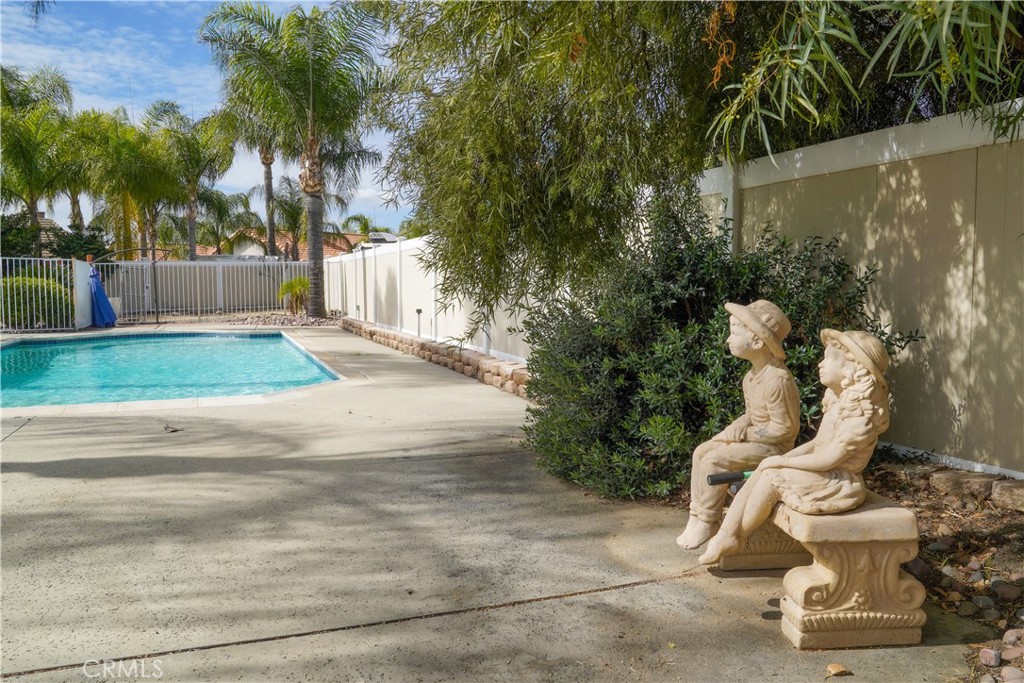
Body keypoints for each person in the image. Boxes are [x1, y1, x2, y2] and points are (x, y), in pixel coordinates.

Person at [699, 329, 891, 565]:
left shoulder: (859, 419)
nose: (820, 364)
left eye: (829, 359)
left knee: (771, 476)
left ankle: (737, 534)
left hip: (835, 482)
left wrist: (784, 461)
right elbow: (816, 445)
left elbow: (828, 459)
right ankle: (727, 535)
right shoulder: (838, 405)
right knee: (765, 468)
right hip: (820, 474)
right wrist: (782, 459)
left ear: (854, 369)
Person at [676, 300, 800, 549]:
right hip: (757, 442)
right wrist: (736, 426)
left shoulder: (778, 380)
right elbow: (752, 413)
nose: (728, 340)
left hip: (775, 449)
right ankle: (696, 515)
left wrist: (746, 434)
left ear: (757, 341)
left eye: (734, 332)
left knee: (714, 461)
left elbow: (785, 429)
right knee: (702, 451)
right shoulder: (751, 378)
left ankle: (709, 521)